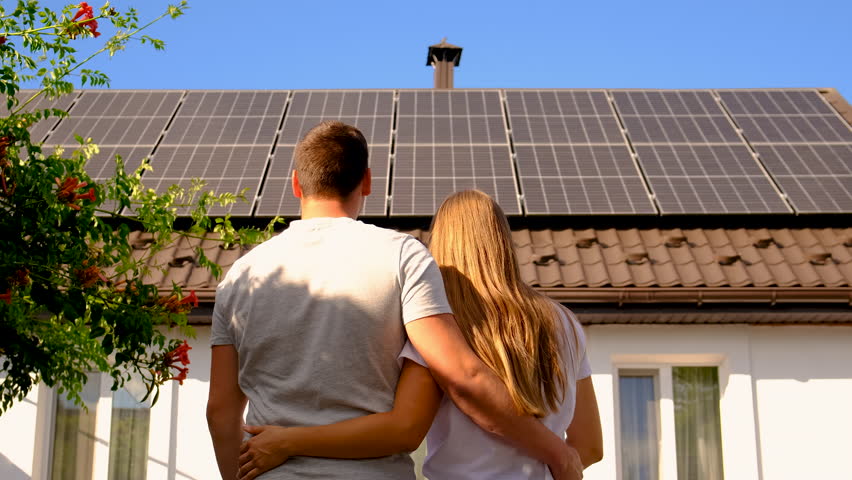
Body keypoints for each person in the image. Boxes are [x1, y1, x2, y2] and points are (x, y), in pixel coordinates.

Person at [207, 122, 582, 480]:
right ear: (367, 181)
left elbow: (221, 412)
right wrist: (557, 451)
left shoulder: (239, 278)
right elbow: (461, 377)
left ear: (295, 184)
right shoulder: (402, 255)